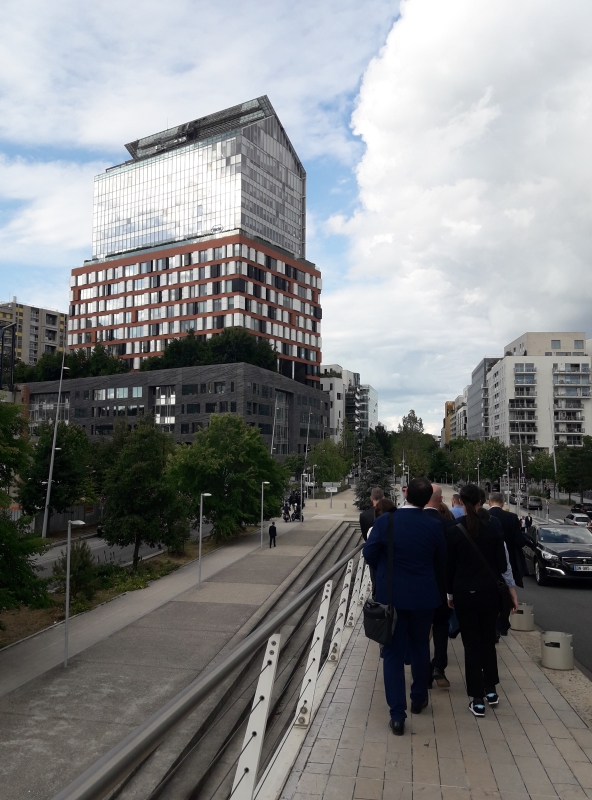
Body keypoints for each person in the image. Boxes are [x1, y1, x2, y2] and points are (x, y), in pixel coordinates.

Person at [364, 477, 446, 737]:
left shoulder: (386, 521)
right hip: (424, 597)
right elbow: (441, 560)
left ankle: (397, 716)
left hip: (392, 599)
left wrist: (386, 570)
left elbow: (369, 554)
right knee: (420, 646)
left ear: (406, 493)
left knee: (393, 653)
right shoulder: (434, 525)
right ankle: (418, 698)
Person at [447, 484, 518, 717]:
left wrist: (450, 594)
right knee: (488, 640)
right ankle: (491, 690)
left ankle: (477, 698)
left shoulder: (455, 528)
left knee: (471, 645)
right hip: (490, 593)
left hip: (464, 594)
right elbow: (502, 564)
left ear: (461, 501)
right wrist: (511, 592)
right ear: (481, 501)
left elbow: (450, 567)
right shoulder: (494, 525)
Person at [423, 484, 456, 689]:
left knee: (421, 629)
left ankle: (423, 671)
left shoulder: (415, 522)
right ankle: (439, 665)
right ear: (441, 499)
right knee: (441, 626)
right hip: (443, 586)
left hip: (420, 586)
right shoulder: (449, 525)